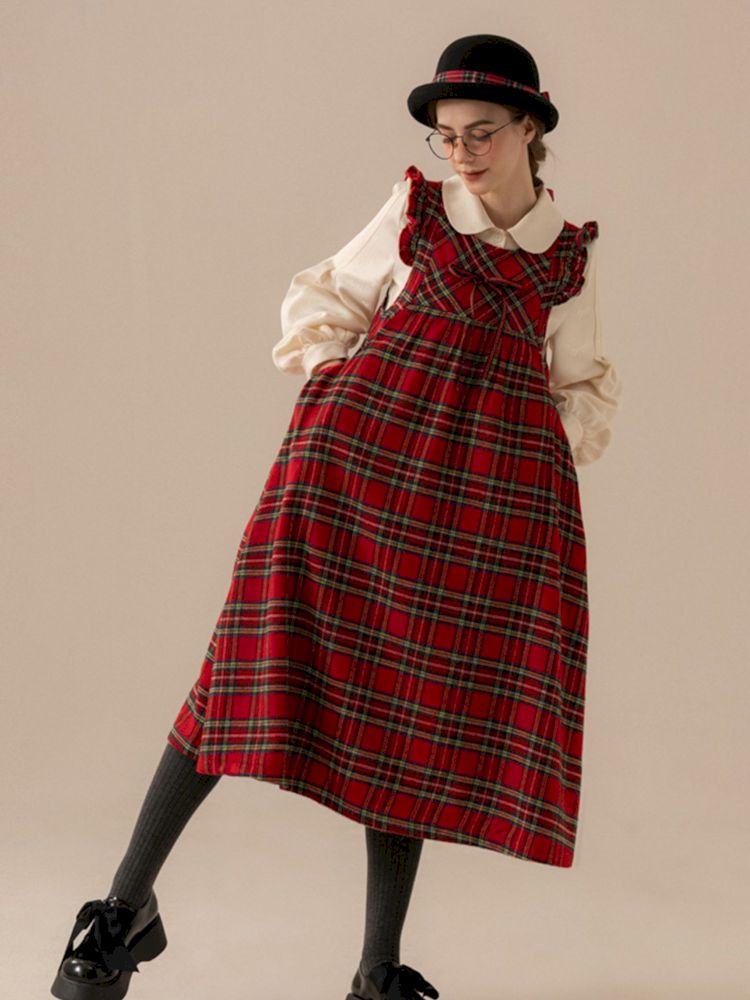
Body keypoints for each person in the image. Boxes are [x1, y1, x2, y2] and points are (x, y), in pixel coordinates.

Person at [50, 33, 622, 1000]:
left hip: (476, 510)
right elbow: (324, 300)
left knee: (412, 710)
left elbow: (583, 387)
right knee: (244, 669)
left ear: (530, 127)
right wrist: (343, 395)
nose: (463, 152)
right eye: (448, 136)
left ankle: (374, 973)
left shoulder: (567, 257)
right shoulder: (417, 211)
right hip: (351, 476)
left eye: (482, 132)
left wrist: (517, 454)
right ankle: (120, 916)